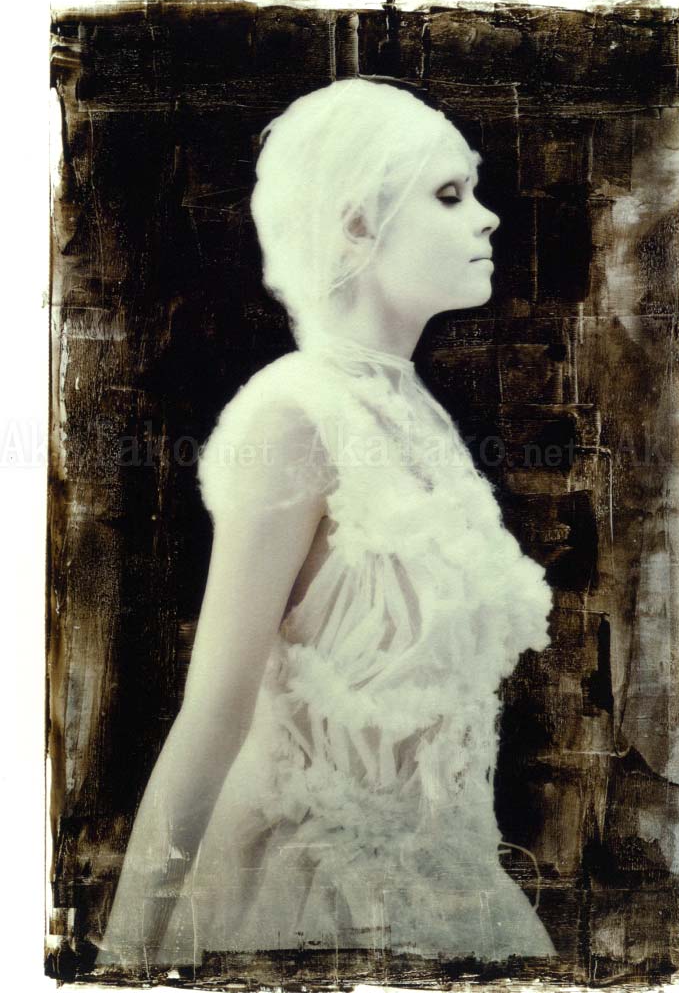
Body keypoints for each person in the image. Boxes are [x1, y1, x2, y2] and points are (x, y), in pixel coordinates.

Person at [95, 77, 557, 973]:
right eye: (449, 195)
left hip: (446, 897)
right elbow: (214, 712)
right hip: (311, 900)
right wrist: (124, 966)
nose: (488, 218)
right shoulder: (294, 414)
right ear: (354, 224)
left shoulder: (411, 410)